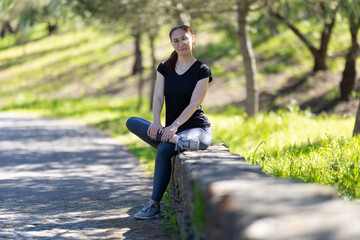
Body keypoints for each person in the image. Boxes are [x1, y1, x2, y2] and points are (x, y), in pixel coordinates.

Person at [126, 24, 213, 220]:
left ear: (192, 38)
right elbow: (158, 97)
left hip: (195, 128)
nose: (180, 43)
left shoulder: (202, 70)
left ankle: (153, 206)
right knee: (132, 121)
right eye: (176, 40)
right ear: (172, 43)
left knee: (165, 148)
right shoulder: (165, 67)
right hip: (168, 131)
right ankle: (177, 141)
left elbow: (194, 104)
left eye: (184, 38)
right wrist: (156, 122)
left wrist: (173, 126)